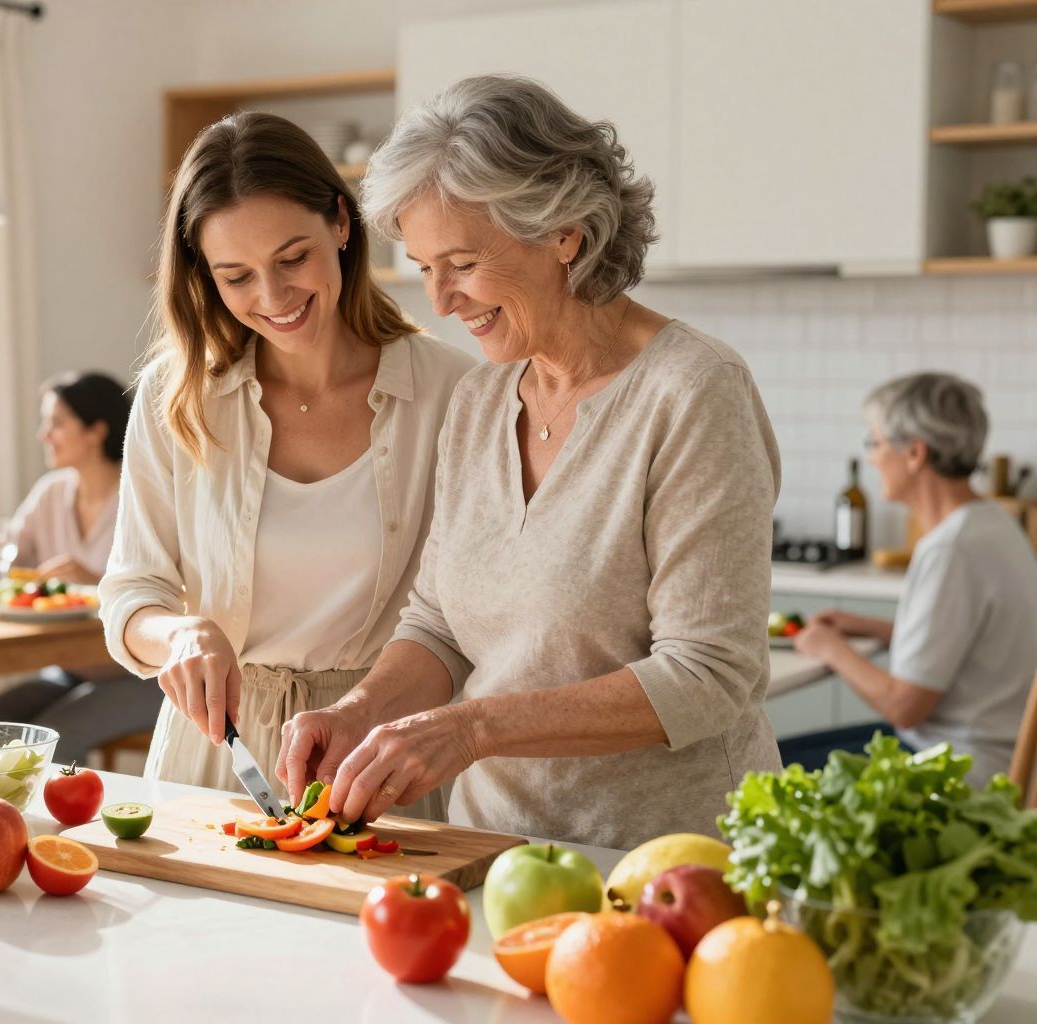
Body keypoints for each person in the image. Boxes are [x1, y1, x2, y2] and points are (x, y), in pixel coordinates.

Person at [276, 74, 784, 851]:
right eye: (422, 266)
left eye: (462, 264)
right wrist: (362, 710)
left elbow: (707, 674)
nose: (440, 300)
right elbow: (440, 624)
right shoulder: (481, 401)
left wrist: (471, 729)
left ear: (564, 235)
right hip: (495, 852)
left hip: (667, 860)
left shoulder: (692, 393)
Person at [98, 111, 476, 808]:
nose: (272, 298)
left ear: (341, 223)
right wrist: (179, 635)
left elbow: (462, 615)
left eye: (292, 258)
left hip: (379, 753)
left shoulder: (452, 392)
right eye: (236, 276)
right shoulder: (177, 396)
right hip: (213, 755)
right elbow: (130, 594)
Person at [792, 373, 1037, 787]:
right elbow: (971, 640)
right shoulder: (994, 523)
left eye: (876, 443)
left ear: (915, 454)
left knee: (772, 762)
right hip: (991, 756)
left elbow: (904, 707)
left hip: (956, 769)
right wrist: (879, 629)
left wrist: (829, 648)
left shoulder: (952, 549)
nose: (870, 458)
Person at [0, 372, 162, 764]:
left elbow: (172, 588)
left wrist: (96, 581)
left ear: (95, 431)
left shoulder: (143, 497)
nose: (43, 435)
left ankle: (60, 826)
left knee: (54, 739)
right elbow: (14, 561)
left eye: (56, 423)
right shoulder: (51, 492)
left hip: (144, 677)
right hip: (74, 669)